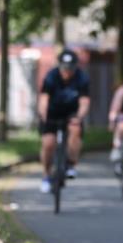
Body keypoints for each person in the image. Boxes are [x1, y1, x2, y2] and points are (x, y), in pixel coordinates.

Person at [38, 49, 90, 193]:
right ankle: (46, 175)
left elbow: (84, 102)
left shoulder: (81, 78)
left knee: (75, 129)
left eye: (70, 69)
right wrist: (43, 115)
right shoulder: (51, 76)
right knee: (48, 143)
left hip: (71, 112)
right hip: (52, 112)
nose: (67, 72)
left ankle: (71, 164)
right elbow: (44, 99)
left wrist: (79, 117)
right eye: (64, 68)